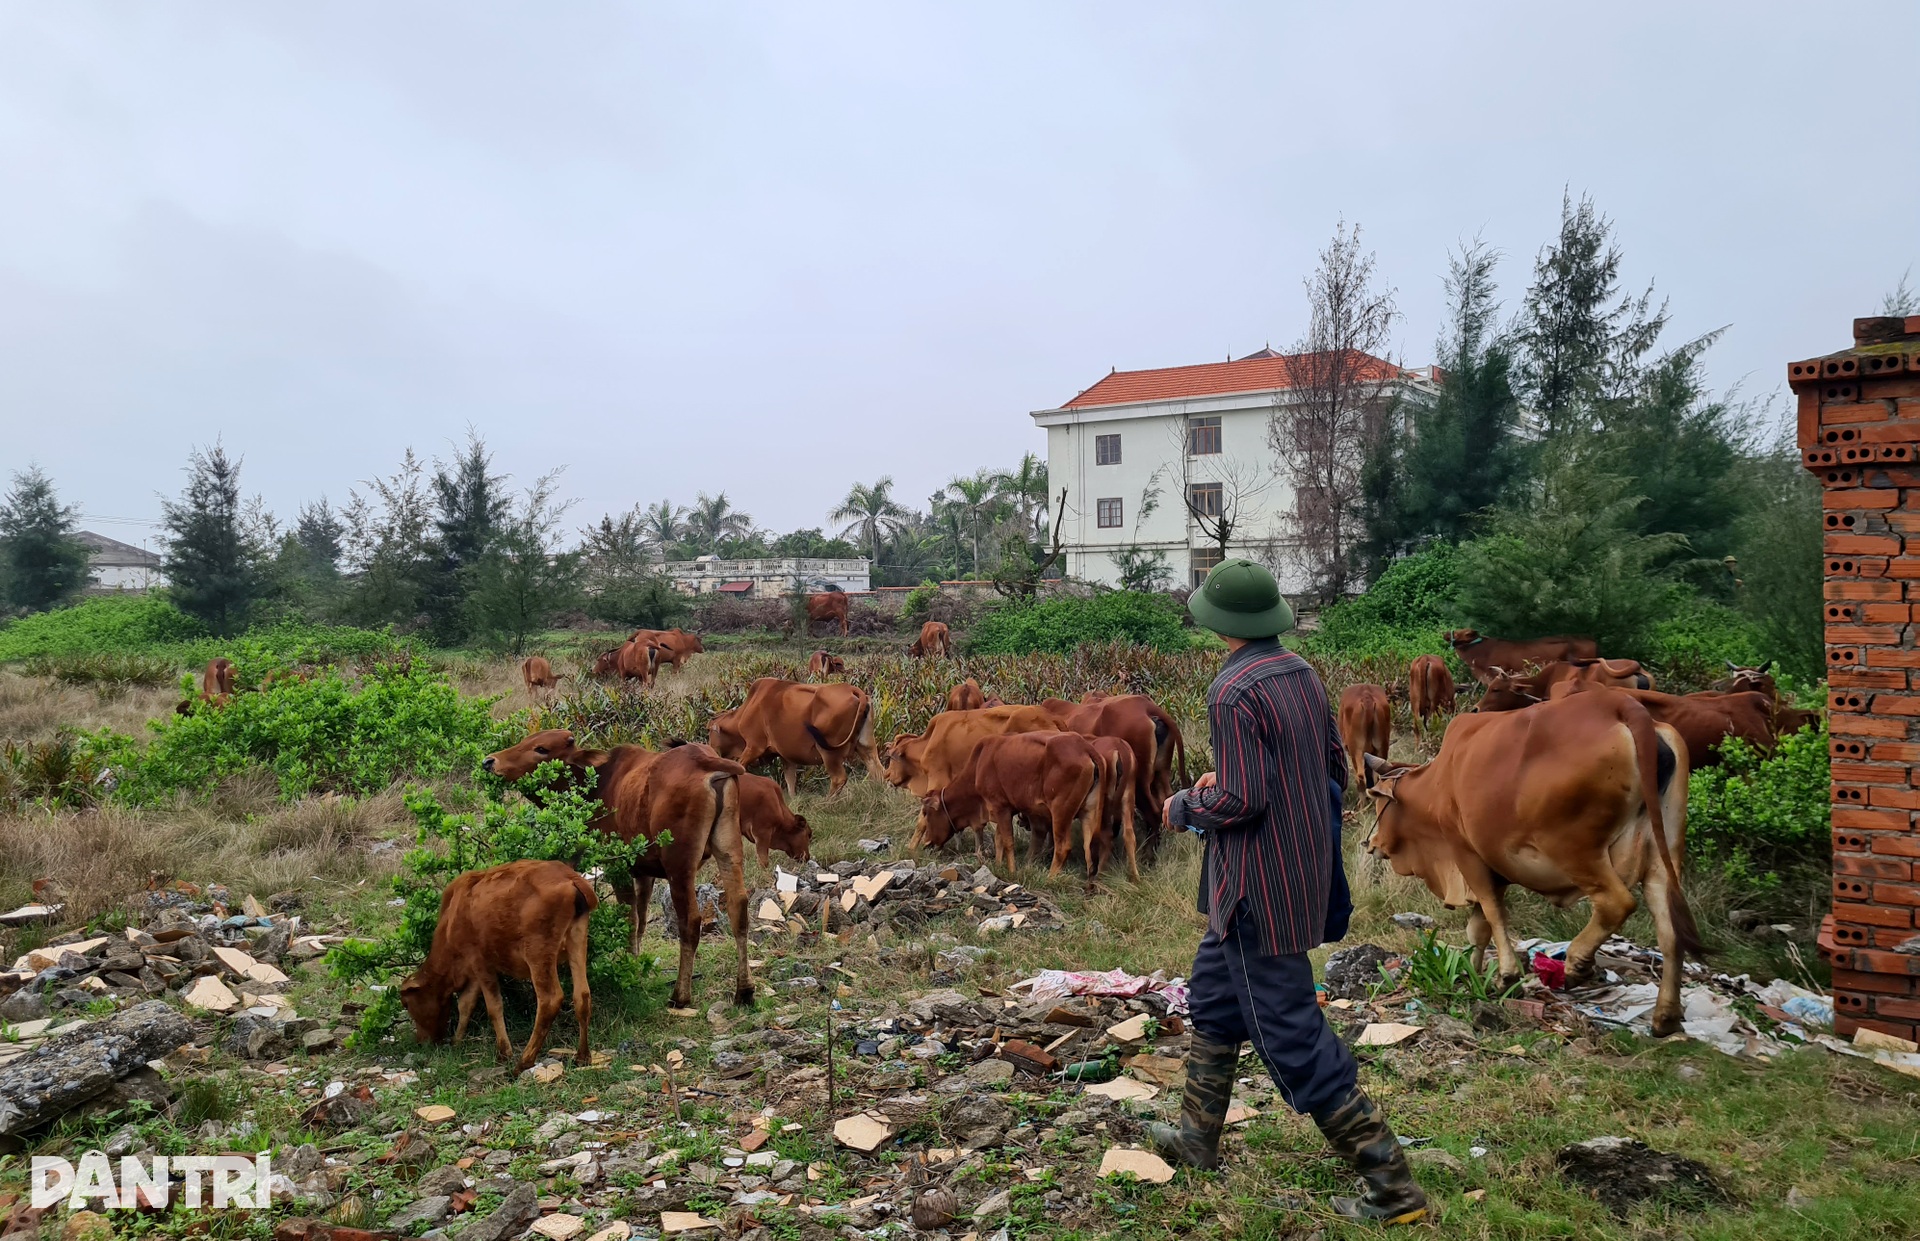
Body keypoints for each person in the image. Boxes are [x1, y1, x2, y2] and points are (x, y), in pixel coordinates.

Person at [1152, 559, 1427, 1226]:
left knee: (1289, 1029)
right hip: (1301, 871)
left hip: (1255, 890)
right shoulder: (1300, 672)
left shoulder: (1231, 691)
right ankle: (1197, 1138)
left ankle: (1394, 1188)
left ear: (1218, 622)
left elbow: (1243, 797)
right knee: (1216, 998)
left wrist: (1187, 803)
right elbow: (1332, 764)